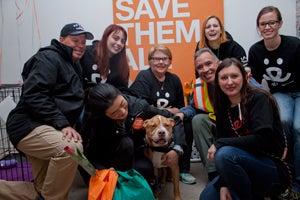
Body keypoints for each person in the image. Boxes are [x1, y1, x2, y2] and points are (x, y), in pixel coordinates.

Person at [0, 23, 94, 200]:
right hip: (29, 126)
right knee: (71, 148)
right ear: (61, 40)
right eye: (75, 40)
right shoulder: (48, 58)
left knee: (42, 190)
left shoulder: (73, 65)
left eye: (83, 42)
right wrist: (63, 124)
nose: (80, 45)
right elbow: (34, 95)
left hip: (48, 128)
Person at [200, 58, 292, 200]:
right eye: (224, 78)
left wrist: (220, 144)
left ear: (244, 77)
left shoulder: (259, 98)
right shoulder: (223, 107)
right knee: (206, 198)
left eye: (234, 76)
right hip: (238, 165)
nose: (229, 82)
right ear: (218, 82)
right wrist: (224, 182)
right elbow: (221, 139)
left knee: (224, 153)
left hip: (271, 168)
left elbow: (262, 140)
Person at [80, 83, 186, 187]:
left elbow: (175, 120)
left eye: (122, 104)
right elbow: (89, 151)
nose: (122, 111)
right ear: (104, 114)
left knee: (145, 170)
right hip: (108, 155)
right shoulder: (95, 119)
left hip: (133, 152)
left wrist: (177, 148)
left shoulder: (139, 106)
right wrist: (102, 170)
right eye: (114, 113)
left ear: (121, 94)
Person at [248, 6, 300, 199]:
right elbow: (258, 83)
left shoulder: (294, 45)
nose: (267, 27)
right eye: (263, 24)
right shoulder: (255, 51)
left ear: (279, 23)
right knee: (284, 122)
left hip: (299, 93)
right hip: (281, 93)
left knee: (299, 127)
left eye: (271, 22)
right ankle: (288, 175)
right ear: (258, 27)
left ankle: (298, 182)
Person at [130, 44, 196, 184]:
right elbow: (144, 107)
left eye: (165, 59)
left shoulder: (174, 79)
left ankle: (183, 169)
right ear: (150, 61)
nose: (161, 62)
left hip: (169, 122)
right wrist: (166, 112)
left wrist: (170, 114)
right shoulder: (144, 77)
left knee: (187, 124)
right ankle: (153, 166)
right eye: (157, 59)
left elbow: (180, 108)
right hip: (149, 123)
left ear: (170, 61)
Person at [176, 48, 220, 181]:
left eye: (208, 64)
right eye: (200, 67)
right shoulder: (198, 85)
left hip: (236, 122)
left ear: (218, 63)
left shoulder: (232, 75)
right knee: (198, 120)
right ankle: (213, 173)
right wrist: (181, 113)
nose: (205, 69)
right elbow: (194, 107)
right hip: (215, 120)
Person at [80, 24, 129, 91]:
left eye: (122, 41)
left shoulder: (122, 65)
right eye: (115, 38)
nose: (119, 43)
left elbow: (122, 91)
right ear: (105, 37)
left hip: (108, 101)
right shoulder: (85, 53)